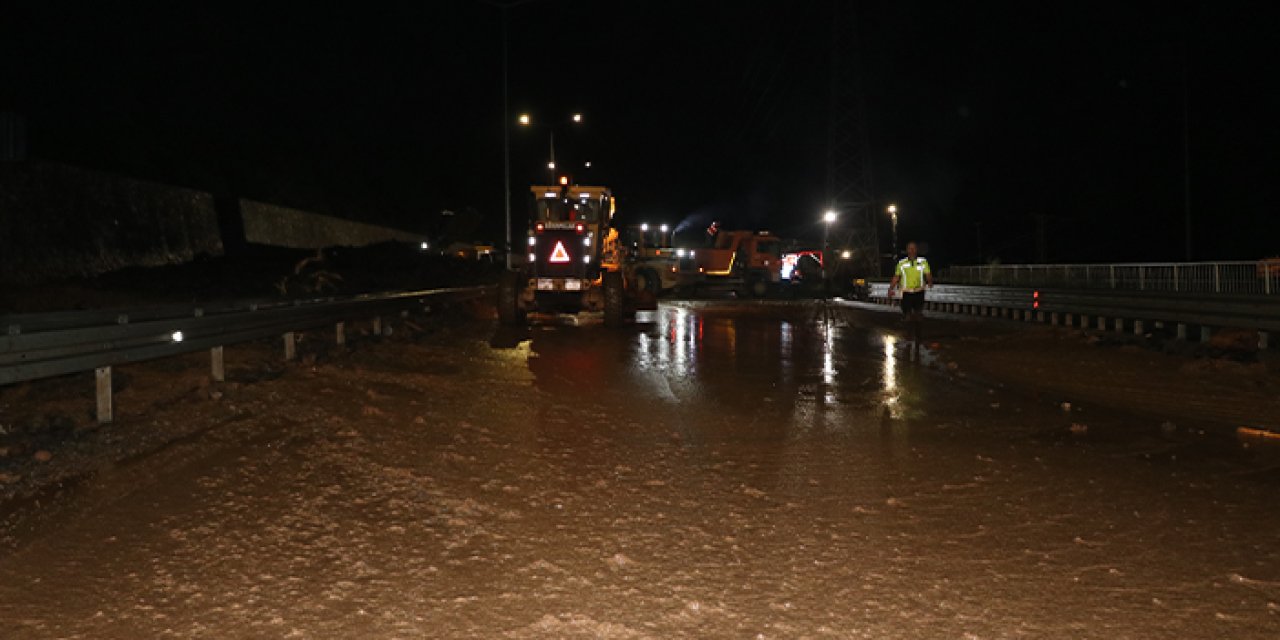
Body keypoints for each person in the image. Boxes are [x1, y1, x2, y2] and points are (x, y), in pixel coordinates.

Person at [888, 241, 933, 345]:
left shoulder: (923, 261)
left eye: (914, 248)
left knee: (918, 314)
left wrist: (930, 281)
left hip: (919, 292)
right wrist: (891, 288)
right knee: (907, 315)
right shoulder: (901, 263)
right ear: (907, 250)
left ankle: (918, 336)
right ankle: (908, 334)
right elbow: (896, 276)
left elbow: (928, 274)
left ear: (917, 250)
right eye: (910, 248)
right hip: (906, 292)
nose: (912, 251)